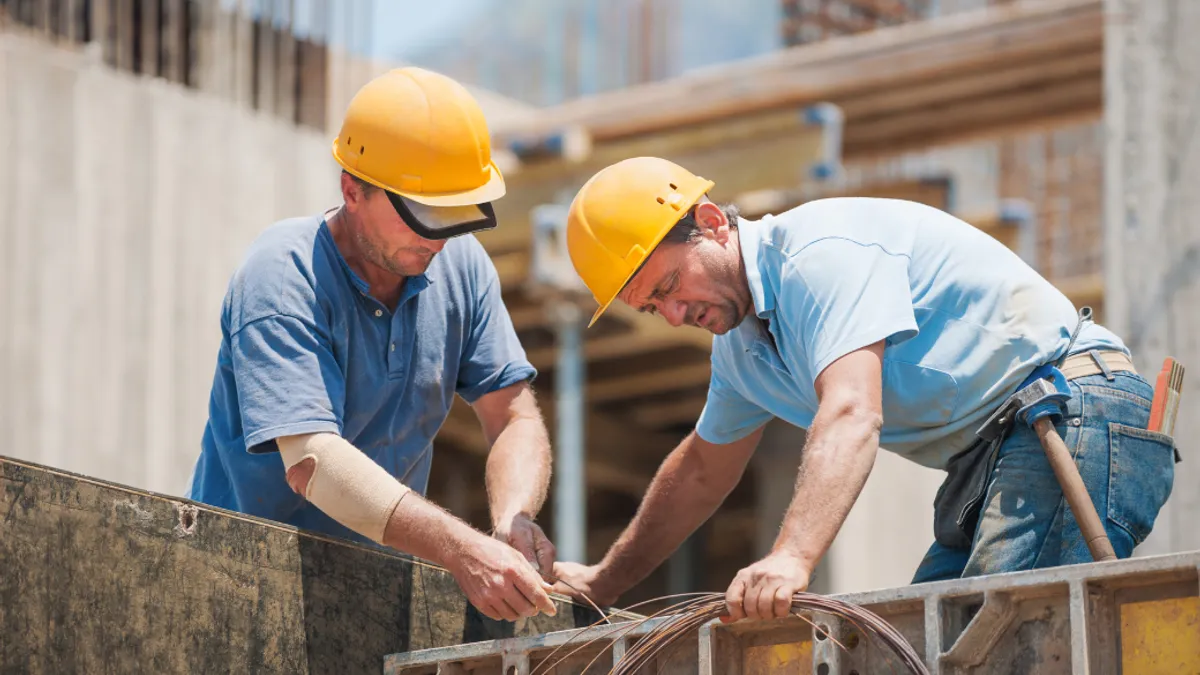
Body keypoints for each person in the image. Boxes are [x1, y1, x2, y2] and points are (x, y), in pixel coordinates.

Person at [550, 156, 1178, 622]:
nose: (675, 313)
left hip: (1074, 412)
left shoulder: (818, 256)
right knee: (920, 644)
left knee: (999, 642)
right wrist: (605, 583)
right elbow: (700, 474)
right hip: (1002, 454)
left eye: (668, 286)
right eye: (653, 308)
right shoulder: (742, 351)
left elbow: (852, 413)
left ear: (711, 223)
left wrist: (792, 557)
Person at [186, 67, 558, 623]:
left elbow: (513, 417)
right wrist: (461, 549)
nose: (437, 236)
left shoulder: (461, 267)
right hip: (238, 587)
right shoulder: (284, 274)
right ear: (352, 190)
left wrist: (513, 519)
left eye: (453, 214)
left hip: (375, 594)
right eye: (422, 213)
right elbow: (313, 462)